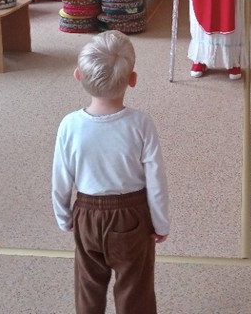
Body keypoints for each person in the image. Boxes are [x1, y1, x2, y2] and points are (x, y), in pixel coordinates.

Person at [52, 30, 169, 314]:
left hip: (86, 215)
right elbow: (156, 180)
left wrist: (64, 217)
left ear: (78, 75)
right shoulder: (141, 124)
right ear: (133, 79)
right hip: (132, 216)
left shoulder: (69, 125)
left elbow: (60, 178)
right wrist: (160, 223)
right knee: (135, 288)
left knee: (88, 286)